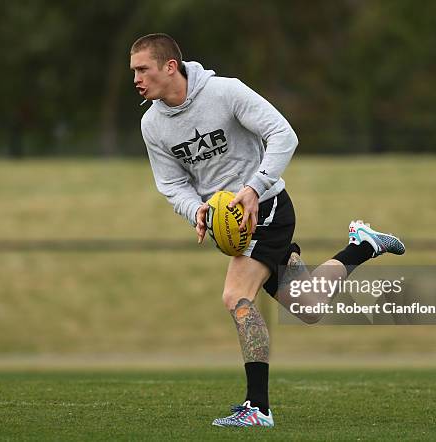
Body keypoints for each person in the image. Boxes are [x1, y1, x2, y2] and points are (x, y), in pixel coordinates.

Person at [130, 33, 405, 428]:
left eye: (143, 69)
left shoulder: (225, 93)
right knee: (308, 307)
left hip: (268, 207)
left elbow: (284, 135)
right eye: (134, 71)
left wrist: (254, 187)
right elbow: (172, 185)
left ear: (169, 66)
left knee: (235, 295)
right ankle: (362, 246)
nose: (136, 78)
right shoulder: (152, 124)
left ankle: (257, 407)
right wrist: (198, 211)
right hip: (230, 224)